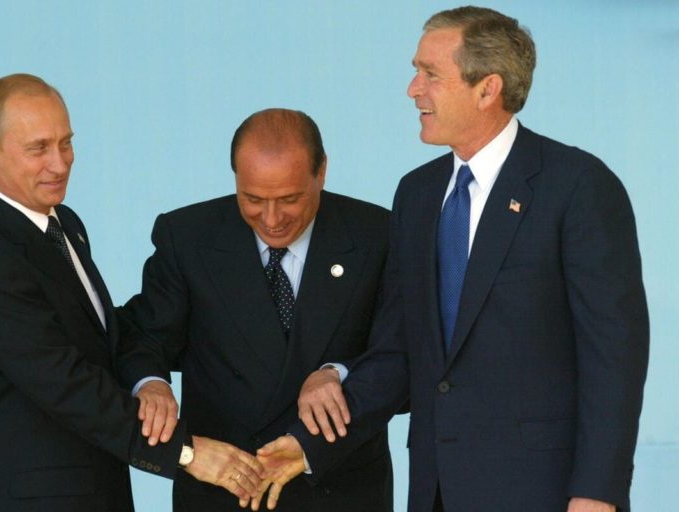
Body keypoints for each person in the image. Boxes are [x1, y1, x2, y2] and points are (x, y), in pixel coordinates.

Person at [257, 7, 649, 512]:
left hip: (544, 493)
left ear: (487, 89)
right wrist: (311, 443)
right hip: (436, 491)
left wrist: (597, 492)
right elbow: (400, 348)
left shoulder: (577, 186)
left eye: (430, 74)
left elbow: (614, 357)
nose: (413, 89)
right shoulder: (417, 194)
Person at [0, 73, 263, 512]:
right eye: (38, 148)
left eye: (65, 143)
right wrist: (187, 453)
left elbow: (98, 336)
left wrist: (149, 379)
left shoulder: (63, 224)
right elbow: (66, 383)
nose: (60, 164)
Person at [118, 108, 393, 511]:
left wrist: (339, 372)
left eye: (289, 199)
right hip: (223, 492)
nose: (271, 219)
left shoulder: (377, 235)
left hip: (341, 490)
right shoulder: (188, 236)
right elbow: (144, 335)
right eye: (252, 199)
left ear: (322, 172)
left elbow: (403, 355)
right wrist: (151, 384)